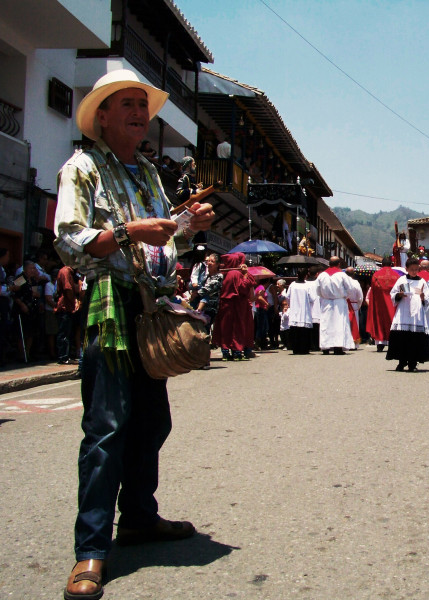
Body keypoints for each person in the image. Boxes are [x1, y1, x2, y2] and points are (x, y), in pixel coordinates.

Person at [54, 69, 214, 600]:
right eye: (127, 103)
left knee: (151, 421)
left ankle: (140, 517)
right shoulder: (81, 168)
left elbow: (160, 247)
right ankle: (91, 550)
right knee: (107, 426)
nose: (139, 113)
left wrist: (185, 228)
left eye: (143, 105)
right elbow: (71, 242)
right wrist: (127, 232)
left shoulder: (147, 171)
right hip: (109, 304)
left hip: (148, 305)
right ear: (102, 115)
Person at [386, 257, 429, 371]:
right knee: (402, 337)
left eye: (416, 269)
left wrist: (423, 297)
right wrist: (399, 295)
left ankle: (413, 362)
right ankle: (401, 362)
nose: (414, 271)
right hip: (403, 311)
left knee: (415, 338)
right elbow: (393, 293)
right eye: (411, 269)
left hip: (416, 313)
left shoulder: (422, 281)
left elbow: (428, 298)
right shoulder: (401, 280)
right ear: (406, 269)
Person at [213, 252, 256, 361]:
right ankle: (237, 352)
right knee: (237, 328)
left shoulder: (223, 273)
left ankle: (225, 351)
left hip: (224, 304)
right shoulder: (236, 273)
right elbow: (243, 287)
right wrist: (246, 275)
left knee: (225, 328)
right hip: (237, 304)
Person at [316, 256, 357, 355]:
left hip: (326, 302)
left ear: (329, 264)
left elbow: (318, 290)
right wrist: (344, 296)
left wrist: (325, 296)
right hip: (339, 302)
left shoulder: (322, 275)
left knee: (326, 324)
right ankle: (338, 348)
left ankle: (325, 347)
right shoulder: (342, 275)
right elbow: (350, 289)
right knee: (339, 324)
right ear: (339, 264)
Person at [365, 257, 400, 352]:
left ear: (381, 264)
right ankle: (393, 342)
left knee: (380, 321)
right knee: (392, 320)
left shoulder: (376, 275)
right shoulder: (396, 275)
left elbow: (373, 291)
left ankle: (380, 343)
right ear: (391, 264)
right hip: (393, 303)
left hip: (379, 303)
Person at [55, 264, 81, 365]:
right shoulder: (65, 271)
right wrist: (74, 301)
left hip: (68, 307)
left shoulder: (71, 273)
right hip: (65, 306)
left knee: (68, 333)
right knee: (64, 333)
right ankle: (63, 356)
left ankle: (67, 355)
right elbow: (68, 289)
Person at [286, 268, 315, 354]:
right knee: (304, 332)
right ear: (306, 276)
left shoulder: (292, 285)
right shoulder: (307, 286)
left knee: (295, 331)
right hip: (304, 311)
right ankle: (304, 349)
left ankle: (295, 349)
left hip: (294, 310)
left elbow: (287, 297)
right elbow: (312, 298)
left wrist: (290, 304)